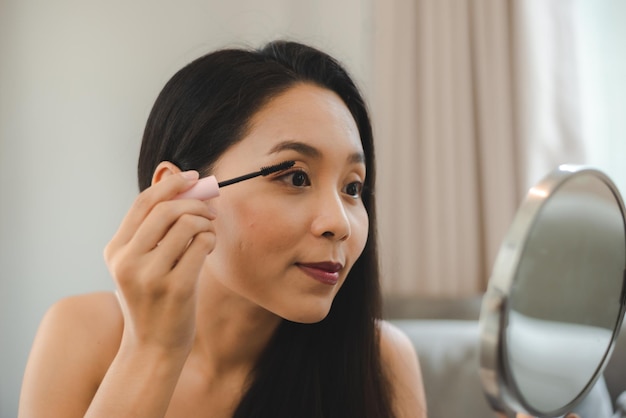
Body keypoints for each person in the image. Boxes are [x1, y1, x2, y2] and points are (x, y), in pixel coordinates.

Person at [17, 40, 581, 418]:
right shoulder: (82, 335)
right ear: (179, 190)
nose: (339, 222)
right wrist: (154, 350)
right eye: (293, 176)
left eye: (354, 187)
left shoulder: (381, 362)